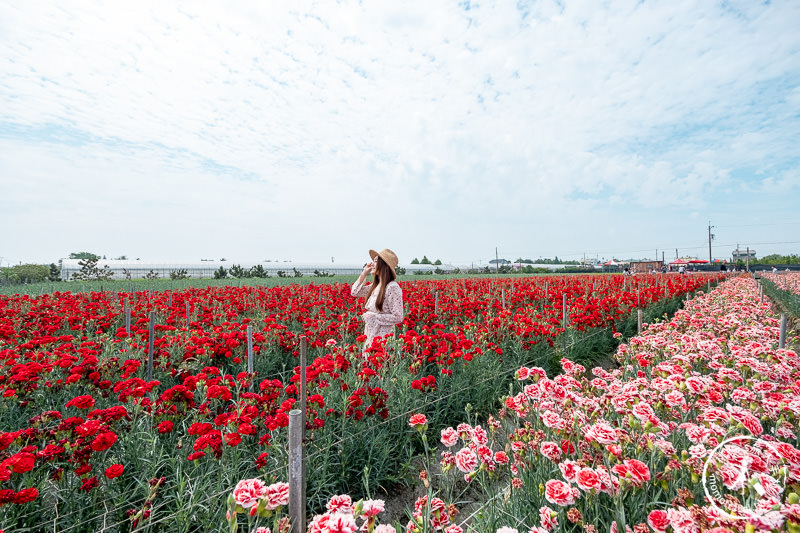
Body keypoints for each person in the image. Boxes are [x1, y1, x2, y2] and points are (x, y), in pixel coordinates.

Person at [351, 248, 404, 349]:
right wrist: (363, 274)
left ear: (384, 265)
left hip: (383, 339)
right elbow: (355, 292)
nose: (371, 264)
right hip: (370, 334)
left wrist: (374, 317)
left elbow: (398, 317)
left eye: (375, 261)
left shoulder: (392, 287)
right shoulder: (376, 286)